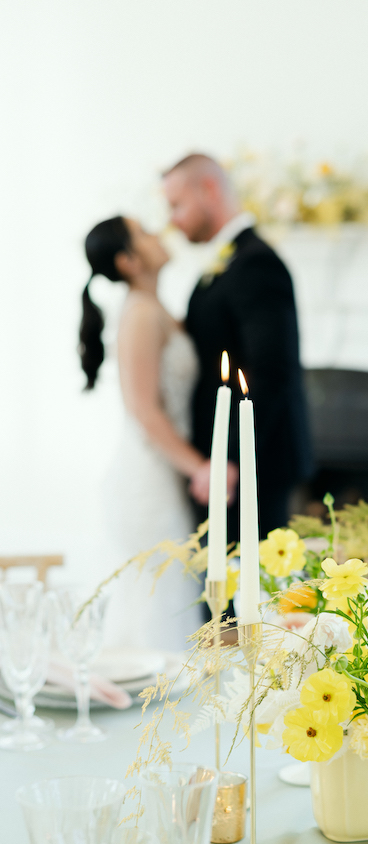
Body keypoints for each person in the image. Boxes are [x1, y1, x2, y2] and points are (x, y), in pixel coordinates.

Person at [162, 153, 312, 542]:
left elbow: (271, 371)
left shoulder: (257, 264)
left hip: (249, 468)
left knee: (244, 597)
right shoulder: (230, 261)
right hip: (224, 464)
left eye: (176, 205)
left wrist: (230, 459)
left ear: (209, 189)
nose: (171, 220)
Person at [79, 216, 203, 651]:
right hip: (146, 483)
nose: (160, 233)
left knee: (166, 598)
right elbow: (143, 409)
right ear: (128, 260)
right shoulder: (141, 314)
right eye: (146, 233)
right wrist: (200, 468)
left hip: (161, 475)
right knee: (156, 602)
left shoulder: (154, 306)